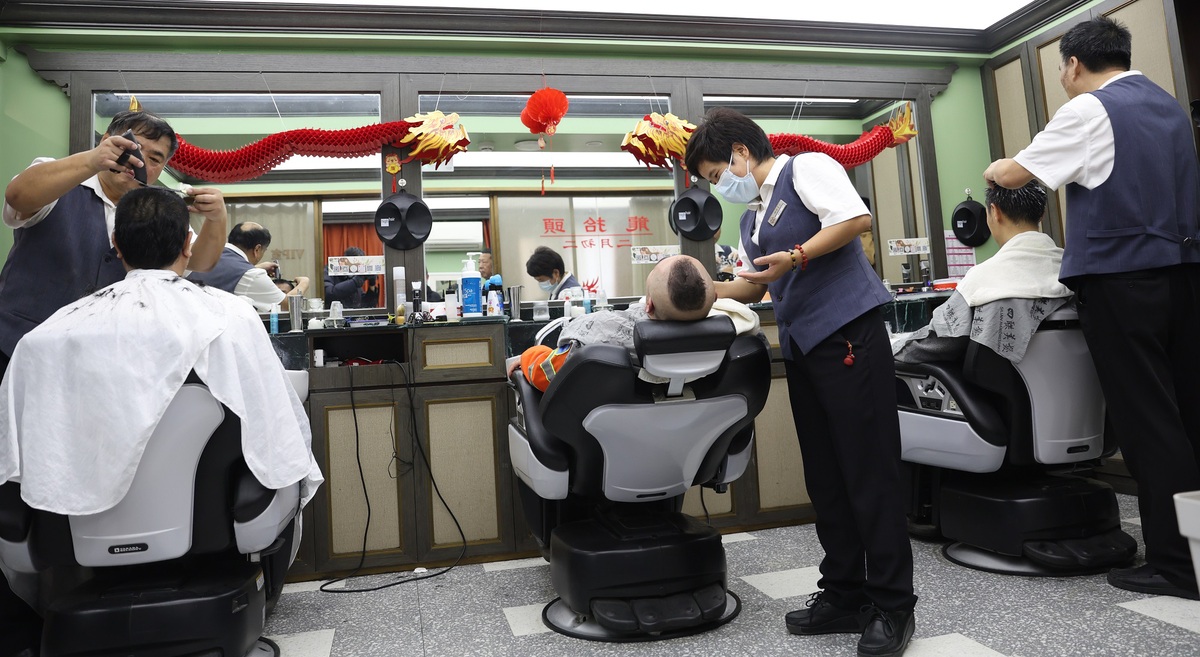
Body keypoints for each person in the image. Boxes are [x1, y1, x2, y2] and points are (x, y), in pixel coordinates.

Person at [685, 107, 915, 657]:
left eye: (718, 174)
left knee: (868, 470)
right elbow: (754, 287)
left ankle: (892, 604)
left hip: (849, 337)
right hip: (806, 350)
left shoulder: (806, 168)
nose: (723, 186)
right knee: (827, 475)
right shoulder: (751, 220)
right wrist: (697, 290)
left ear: (740, 151)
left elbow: (855, 221)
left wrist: (794, 255)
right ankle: (843, 591)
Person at [984, 16, 1200, 601]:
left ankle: (1178, 566)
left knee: (1149, 423)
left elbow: (1016, 173)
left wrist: (992, 170)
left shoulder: (1087, 110)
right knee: (1186, 416)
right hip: (1184, 277)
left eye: (1061, 68)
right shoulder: (1169, 107)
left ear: (1074, 65)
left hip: (1123, 286)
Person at [0, 110, 227, 377]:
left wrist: (217, 219)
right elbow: (18, 197)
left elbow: (199, 261)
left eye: (154, 159)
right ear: (106, 140)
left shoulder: (155, 209)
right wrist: (92, 160)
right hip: (14, 348)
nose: (139, 161)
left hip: (97, 363)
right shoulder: (60, 177)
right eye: (132, 148)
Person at [512, 255, 758, 391]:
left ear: (647, 304)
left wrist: (525, 358)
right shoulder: (734, 338)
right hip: (687, 453)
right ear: (715, 297)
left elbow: (546, 374)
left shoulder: (600, 338)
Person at [893, 181, 1072, 364]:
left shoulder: (982, 278)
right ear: (1042, 215)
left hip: (1003, 390)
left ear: (994, 212)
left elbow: (938, 343)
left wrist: (893, 349)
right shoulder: (1072, 271)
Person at [187, 222, 309, 311]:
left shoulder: (205, 251)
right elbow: (286, 304)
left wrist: (256, 267)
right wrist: (304, 283)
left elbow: (225, 270)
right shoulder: (251, 275)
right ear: (257, 249)